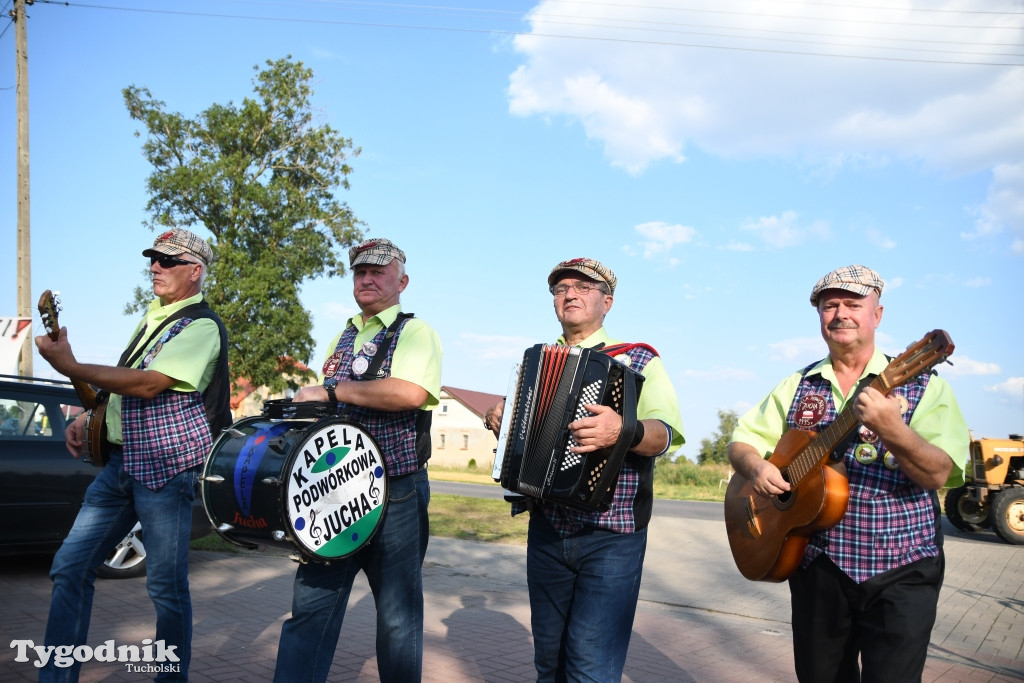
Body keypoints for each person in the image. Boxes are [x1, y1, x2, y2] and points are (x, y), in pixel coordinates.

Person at [727, 264, 969, 682]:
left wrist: (894, 430)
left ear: (877, 314)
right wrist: (757, 465)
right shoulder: (798, 384)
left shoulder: (925, 384)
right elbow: (741, 441)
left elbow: (939, 473)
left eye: (854, 304)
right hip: (818, 565)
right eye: (829, 305)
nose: (841, 313)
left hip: (902, 564)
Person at [34, 228, 231, 682]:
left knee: (164, 587)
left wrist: (69, 366)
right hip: (122, 465)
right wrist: (93, 415)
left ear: (194, 272)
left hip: (166, 470)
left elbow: (150, 383)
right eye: (153, 259)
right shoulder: (154, 317)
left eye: (167, 261)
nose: (154, 268)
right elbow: (128, 379)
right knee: (69, 567)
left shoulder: (200, 325)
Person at [485, 257, 684, 683]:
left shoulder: (638, 360)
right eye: (560, 289)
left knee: (590, 668)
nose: (569, 294)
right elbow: (520, 439)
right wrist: (499, 418)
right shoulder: (536, 362)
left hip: (611, 535)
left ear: (606, 301)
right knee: (549, 664)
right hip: (548, 529)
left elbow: (665, 435)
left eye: (583, 287)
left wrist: (622, 429)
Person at [273, 238, 442, 683]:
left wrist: (331, 391)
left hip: (395, 492)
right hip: (332, 492)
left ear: (401, 281)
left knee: (396, 618)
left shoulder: (414, 330)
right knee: (310, 611)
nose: (367, 279)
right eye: (359, 272)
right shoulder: (343, 333)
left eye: (378, 272)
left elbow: (409, 392)